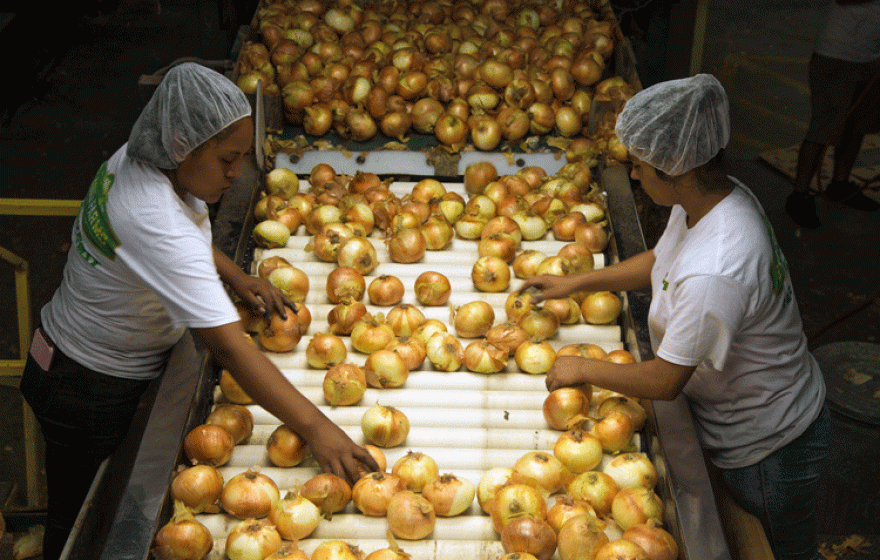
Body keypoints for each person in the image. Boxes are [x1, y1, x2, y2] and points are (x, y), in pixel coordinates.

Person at [18, 62, 377, 560]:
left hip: (61, 352)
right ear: (183, 146)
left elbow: (178, 236)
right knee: (81, 531)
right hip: (86, 385)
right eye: (228, 159)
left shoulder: (145, 157)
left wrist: (237, 275)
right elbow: (228, 345)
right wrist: (320, 430)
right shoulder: (149, 212)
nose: (236, 173)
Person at [522, 74, 830, 560]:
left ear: (676, 169)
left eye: (641, 167)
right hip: (748, 415)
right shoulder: (710, 201)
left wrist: (582, 367)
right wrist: (578, 283)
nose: (636, 175)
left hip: (769, 444)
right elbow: (662, 263)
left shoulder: (719, 263)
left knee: (784, 551)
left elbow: (667, 379)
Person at [786, 0, 880, 229]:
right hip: (836, 56)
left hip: (872, 57)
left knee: (857, 125)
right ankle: (799, 194)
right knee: (824, 129)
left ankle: (840, 183)